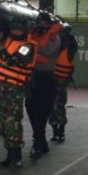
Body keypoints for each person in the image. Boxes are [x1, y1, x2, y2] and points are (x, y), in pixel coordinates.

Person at [0, 18, 38, 167]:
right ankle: (9, 153)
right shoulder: (8, 41)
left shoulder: (27, 46)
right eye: (13, 29)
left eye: (18, 29)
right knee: (2, 120)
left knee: (13, 121)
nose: (15, 32)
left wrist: (0, 47)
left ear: (25, 31)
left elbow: (14, 61)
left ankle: (16, 155)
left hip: (14, 89)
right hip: (0, 86)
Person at [26, 12, 61, 158]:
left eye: (44, 23)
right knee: (30, 107)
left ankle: (38, 141)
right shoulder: (32, 36)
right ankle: (39, 140)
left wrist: (34, 47)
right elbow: (26, 52)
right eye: (39, 22)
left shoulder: (55, 38)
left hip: (46, 78)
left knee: (42, 110)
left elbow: (46, 51)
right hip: (32, 77)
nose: (41, 25)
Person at [50, 23, 78, 143]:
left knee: (55, 106)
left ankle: (58, 131)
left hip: (57, 79)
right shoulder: (70, 44)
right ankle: (58, 131)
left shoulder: (62, 44)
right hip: (60, 79)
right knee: (57, 106)